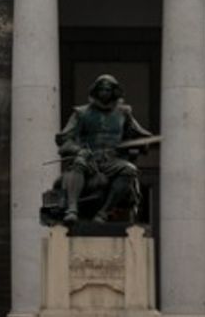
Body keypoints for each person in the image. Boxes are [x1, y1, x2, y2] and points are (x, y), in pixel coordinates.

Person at [56, 74, 152, 223]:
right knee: (78, 163)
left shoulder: (124, 113)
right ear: (95, 91)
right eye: (101, 89)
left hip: (111, 161)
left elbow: (140, 135)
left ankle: (104, 212)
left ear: (114, 92)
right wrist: (78, 150)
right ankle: (72, 209)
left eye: (108, 90)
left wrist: (143, 143)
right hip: (89, 158)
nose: (104, 93)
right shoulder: (81, 113)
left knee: (130, 170)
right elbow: (64, 139)